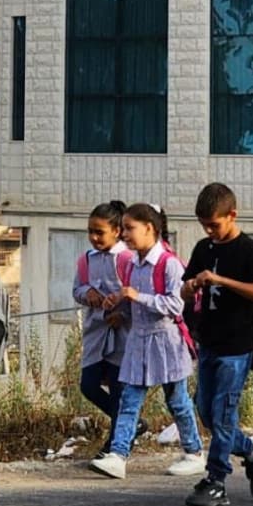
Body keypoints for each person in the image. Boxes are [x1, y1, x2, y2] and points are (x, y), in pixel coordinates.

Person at [88, 203, 205, 481]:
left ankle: (194, 452)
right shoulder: (132, 264)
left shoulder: (169, 264)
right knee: (129, 399)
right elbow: (134, 301)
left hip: (166, 341)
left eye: (130, 228)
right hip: (138, 340)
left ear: (149, 228)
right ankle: (118, 455)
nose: (125, 235)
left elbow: (175, 305)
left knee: (177, 400)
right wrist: (120, 309)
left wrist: (135, 297)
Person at [180, 183, 253, 506]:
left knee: (223, 413)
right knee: (207, 410)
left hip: (238, 345)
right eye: (205, 225)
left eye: (215, 225)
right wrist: (191, 287)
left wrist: (222, 281)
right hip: (209, 341)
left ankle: (216, 479)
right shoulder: (204, 249)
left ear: (232, 215)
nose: (210, 231)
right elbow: (184, 288)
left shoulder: (249, 250)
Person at [72, 200, 148, 459]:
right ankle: (131, 425)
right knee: (89, 385)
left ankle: (116, 446)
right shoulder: (86, 260)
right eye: (90, 231)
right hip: (96, 333)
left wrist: (122, 313)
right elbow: (77, 290)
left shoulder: (128, 259)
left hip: (123, 336)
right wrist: (88, 293)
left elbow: (139, 293)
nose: (94, 237)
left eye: (99, 232)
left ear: (116, 231)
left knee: (118, 389)